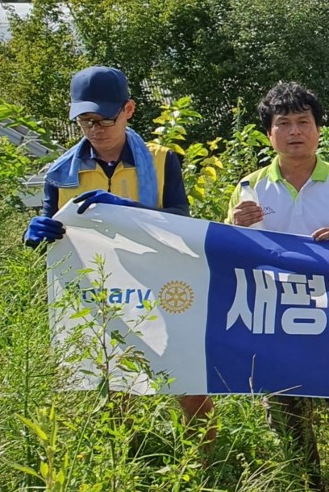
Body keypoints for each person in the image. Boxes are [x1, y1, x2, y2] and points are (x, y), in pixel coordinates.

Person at [227, 82, 329, 492]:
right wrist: (234, 226)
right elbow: (230, 257)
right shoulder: (249, 187)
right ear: (269, 134)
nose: (295, 131)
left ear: (318, 129)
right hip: (276, 320)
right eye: (284, 123)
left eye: (303, 122)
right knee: (287, 415)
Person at [24, 65, 212, 426]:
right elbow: (49, 236)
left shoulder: (161, 160)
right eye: (86, 121)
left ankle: (206, 455)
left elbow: (181, 220)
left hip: (162, 285)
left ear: (128, 110)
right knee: (115, 385)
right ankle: (130, 453)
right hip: (100, 292)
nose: (95, 129)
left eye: (104, 120)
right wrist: (33, 235)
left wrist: (131, 212)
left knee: (186, 381)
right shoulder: (61, 173)